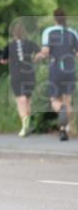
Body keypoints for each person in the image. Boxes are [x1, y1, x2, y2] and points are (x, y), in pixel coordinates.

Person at [37, 8, 78, 141]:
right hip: (70, 70)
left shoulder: (48, 32)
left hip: (55, 70)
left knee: (55, 100)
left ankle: (61, 111)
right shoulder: (73, 33)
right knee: (68, 100)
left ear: (54, 19)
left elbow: (45, 51)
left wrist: (37, 56)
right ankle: (64, 130)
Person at [0, 22, 41, 137]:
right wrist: (34, 59)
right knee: (28, 99)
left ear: (13, 34)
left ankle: (24, 125)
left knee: (20, 100)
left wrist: (11, 60)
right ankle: (28, 123)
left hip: (16, 74)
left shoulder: (10, 45)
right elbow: (40, 53)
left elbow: (2, 60)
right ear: (25, 34)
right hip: (29, 74)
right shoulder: (30, 43)